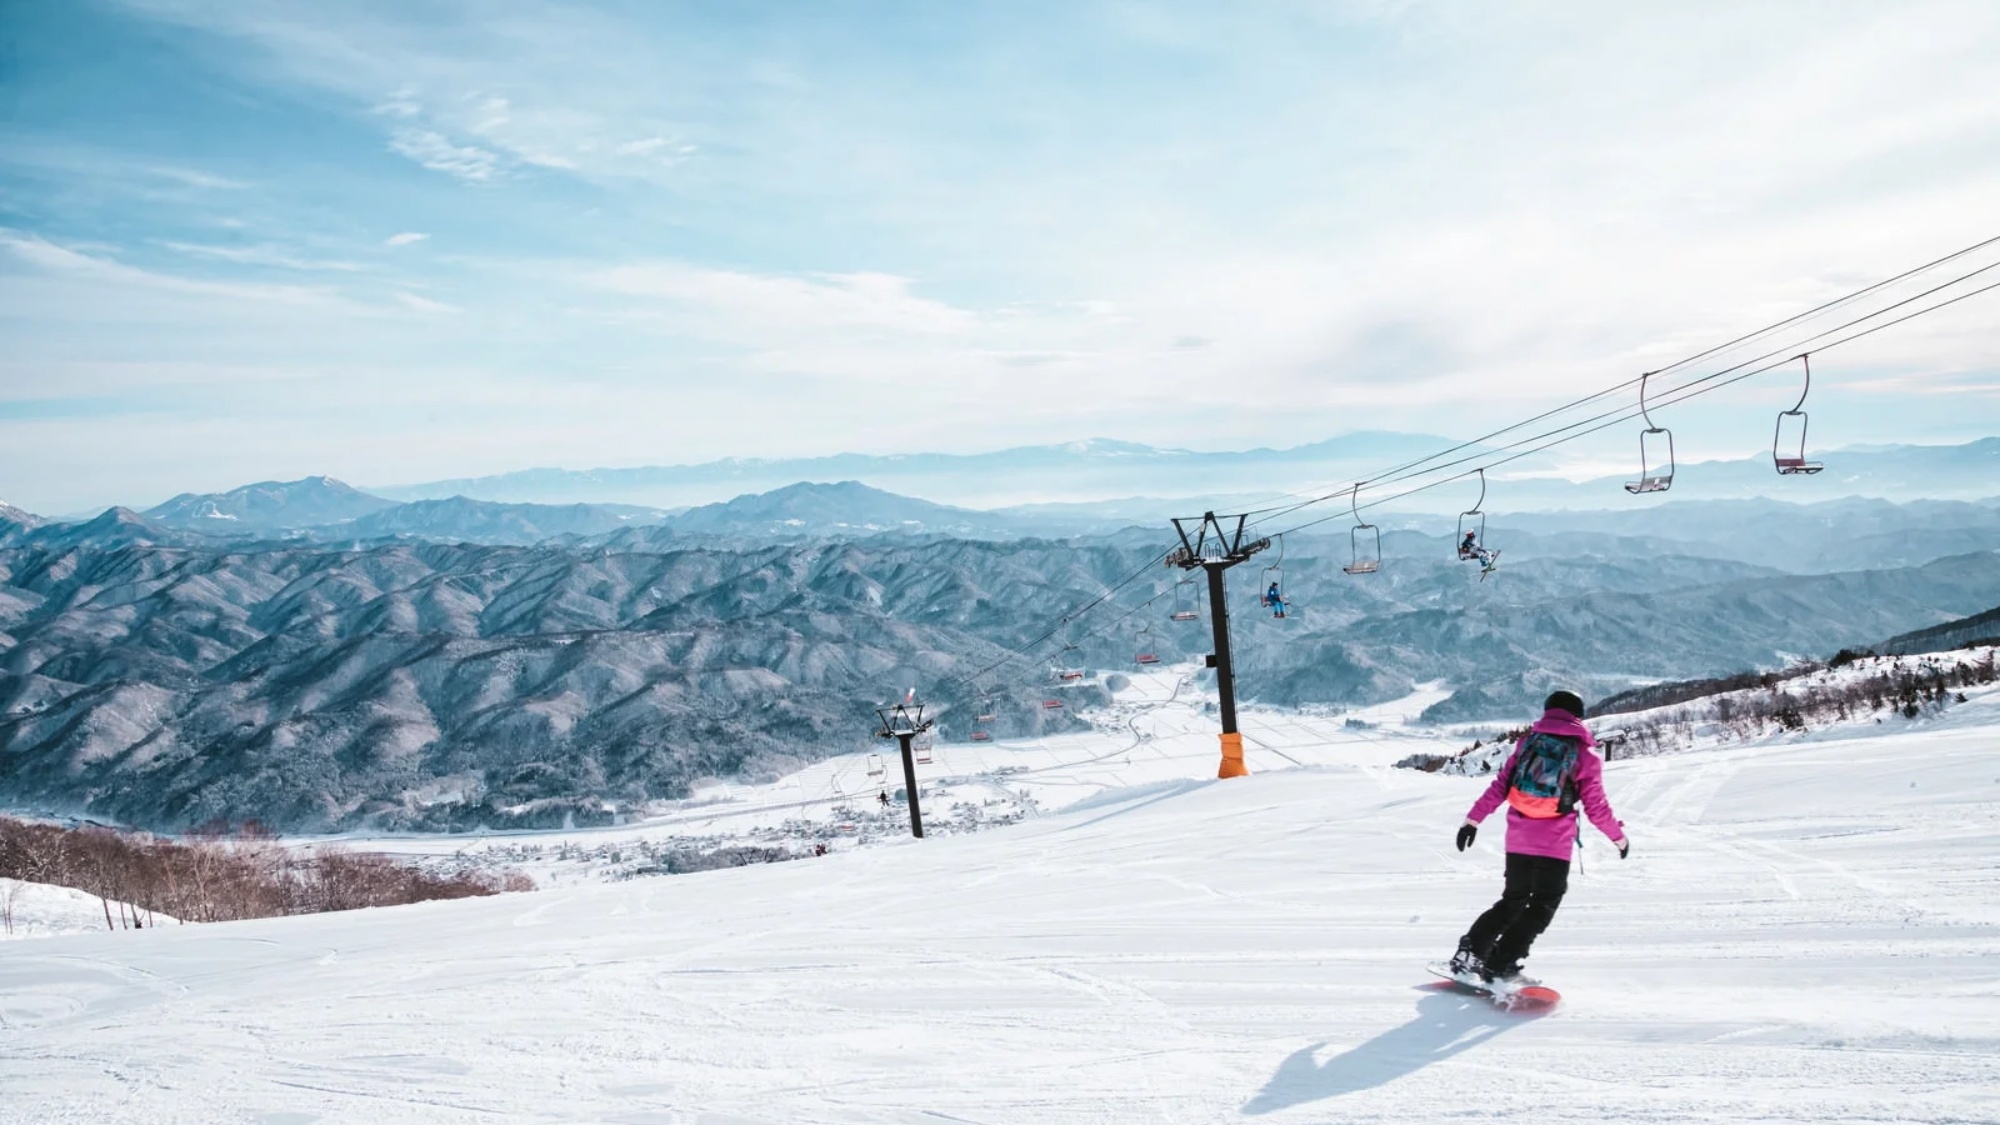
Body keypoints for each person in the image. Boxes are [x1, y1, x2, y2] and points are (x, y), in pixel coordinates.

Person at [1448, 690, 1628, 988]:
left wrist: (1472, 820)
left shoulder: (1527, 744)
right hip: (1554, 846)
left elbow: (1499, 787)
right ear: (1578, 715)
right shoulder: (1586, 756)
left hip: (1518, 839)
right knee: (1543, 904)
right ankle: (1500, 964)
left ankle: (1471, 953)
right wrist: (1619, 838)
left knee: (1512, 901)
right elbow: (1597, 808)